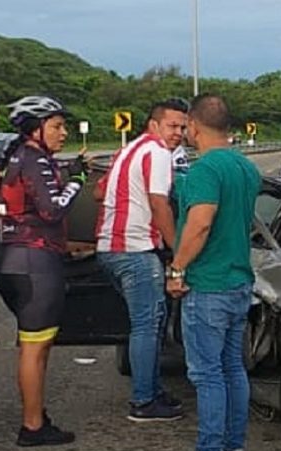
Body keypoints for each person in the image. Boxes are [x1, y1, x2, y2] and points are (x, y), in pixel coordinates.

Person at [0, 95, 86, 446]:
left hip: (8, 260)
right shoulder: (36, 160)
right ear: (36, 129)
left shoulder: (13, 156)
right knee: (35, 349)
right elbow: (52, 210)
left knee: (30, 345)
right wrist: (77, 180)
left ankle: (35, 415)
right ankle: (33, 426)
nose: (64, 133)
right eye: (57, 126)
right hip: (36, 264)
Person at [161, 94, 260, 451]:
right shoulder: (245, 167)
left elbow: (200, 223)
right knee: (232, 367)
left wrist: (177, 268)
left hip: (209, 285)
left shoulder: (204, 170)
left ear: (194, 126)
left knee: (206, 374)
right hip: (239, 281)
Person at [95, 99, 188, 422]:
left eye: (183, 127)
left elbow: (98, 193)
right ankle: (144, 401)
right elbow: (159, 204)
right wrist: (179, 251)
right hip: (135, 249)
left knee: (149, 322)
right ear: (154, 125)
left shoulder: (128, 150)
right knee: (147, 324)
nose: (178, 133)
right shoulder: (159, 153)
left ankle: (152, 388)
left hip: (110, 246)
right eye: (172, 126)